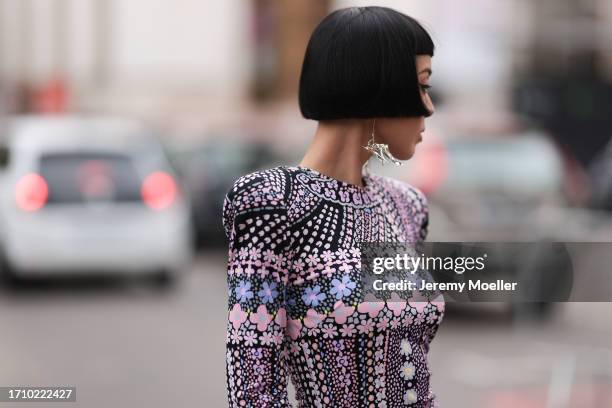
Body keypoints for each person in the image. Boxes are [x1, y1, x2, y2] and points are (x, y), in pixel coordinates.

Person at [222, 6, 443, 407]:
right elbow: (254, 385)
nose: (428, 107)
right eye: (422, 85)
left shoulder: (406, 205)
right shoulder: (272, 202)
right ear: (382, 84)